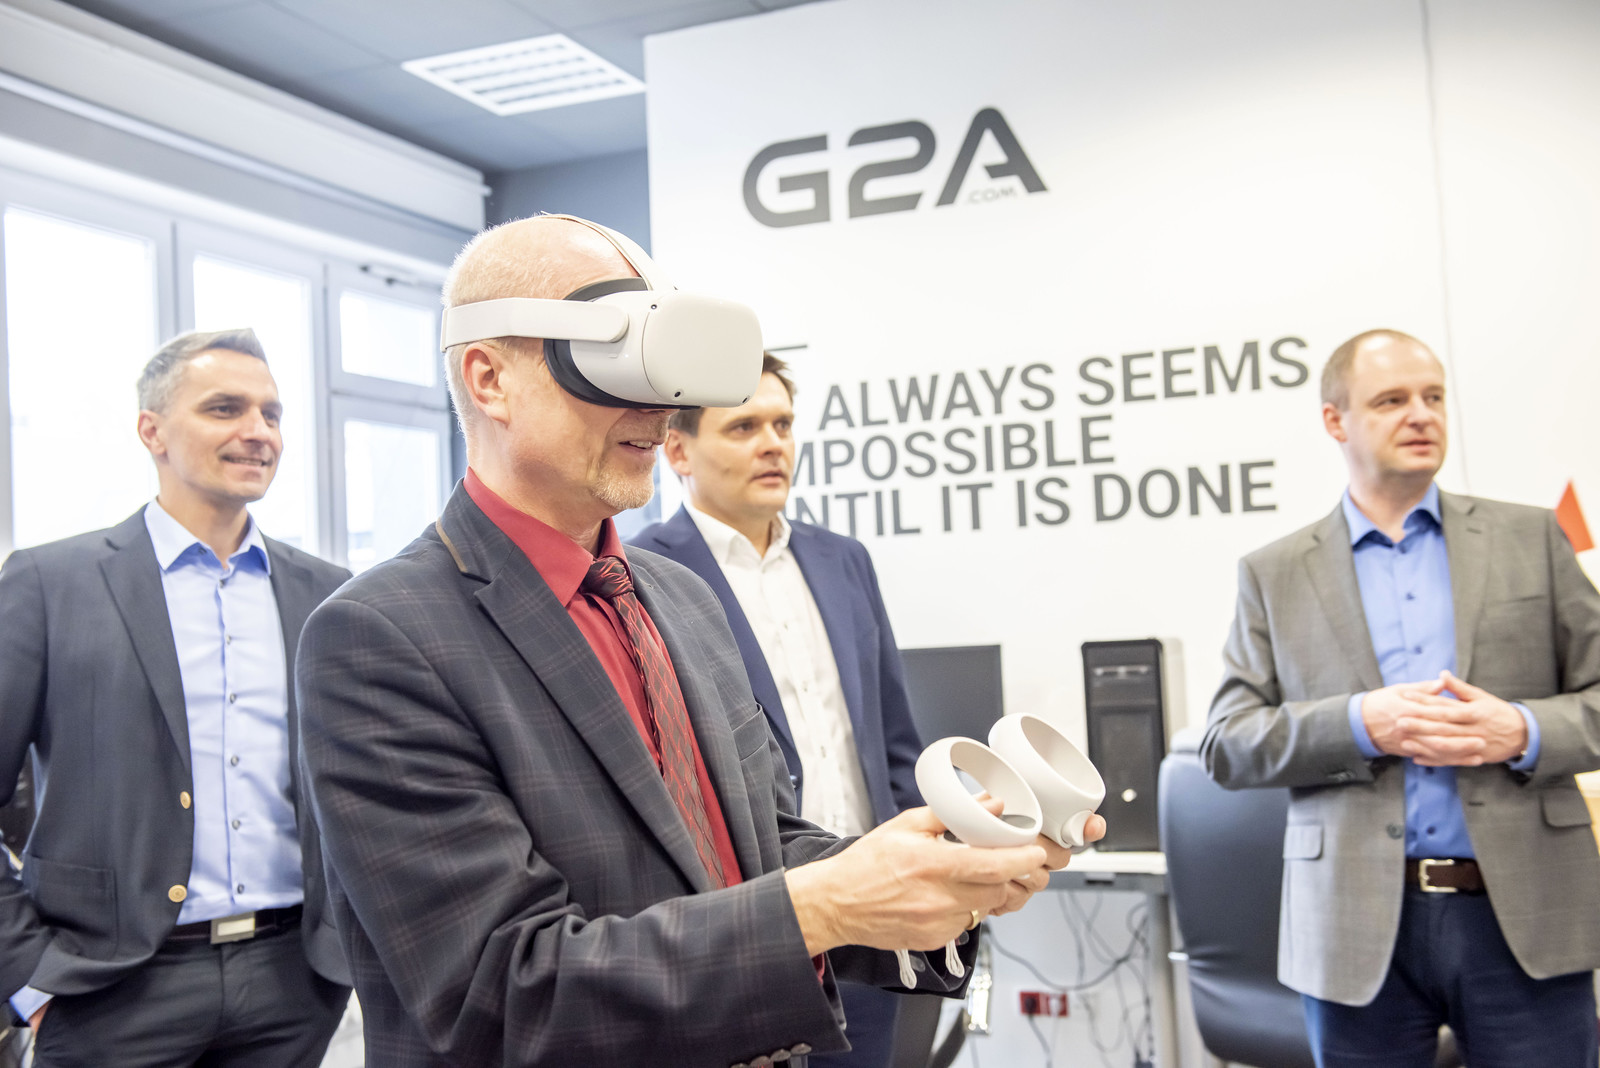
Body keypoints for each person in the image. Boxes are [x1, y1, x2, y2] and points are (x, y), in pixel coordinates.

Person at [295, 215, 1093, 1068]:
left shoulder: (678, 597)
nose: (658, 408)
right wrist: (823, 905)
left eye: (663, 371)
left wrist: (934, 870)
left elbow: (758, 846)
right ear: (489, 379)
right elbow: (502, 992)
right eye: (613, 363)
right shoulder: (381, 638)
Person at [1202, 328, 1600, 1067]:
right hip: (1351, 926)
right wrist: (1360, 723)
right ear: (1335, 420)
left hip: (1528, 912)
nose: (1421, 415)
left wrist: (1522, 729)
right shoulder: (1275, 572)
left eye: (1433, 397)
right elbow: (1227, 744)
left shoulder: (1532, 538)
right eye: (1391, 400)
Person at [0, 328, 353, 1066]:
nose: (259, 432)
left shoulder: (327, 594)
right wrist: (27, 976)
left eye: (272, 414)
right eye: (225, 409)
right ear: (151, 431)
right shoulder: (49, 584)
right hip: (107, 988)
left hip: (292, 983)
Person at [630, 353, 923, 1068]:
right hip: (753, 933)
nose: (773, 444)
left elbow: (891, 735)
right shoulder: (641, 574)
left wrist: (929, 857)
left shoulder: (843, 560)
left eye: (783, 424)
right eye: (744, 427)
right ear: (677, 451)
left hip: (873, 923)